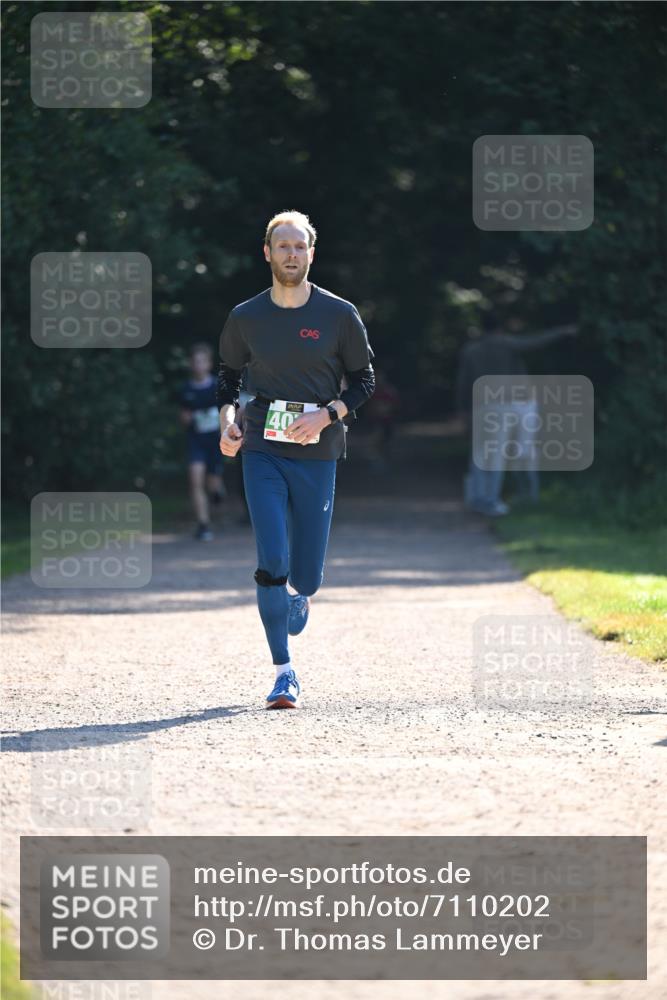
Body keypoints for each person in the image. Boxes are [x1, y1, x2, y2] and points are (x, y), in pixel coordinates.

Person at [217, 210, 375, 709]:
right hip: (262, 448)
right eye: (282, 246)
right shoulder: (246, 316)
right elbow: (228, 383)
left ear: (311, 253)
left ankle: (301, 592)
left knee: (305, 575)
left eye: (299, 246)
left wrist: (329, 415)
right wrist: (229, 422)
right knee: (272, 562)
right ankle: (284, 672)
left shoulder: (338, 314)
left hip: (317, 453)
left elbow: (366, 382)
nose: (291, 254)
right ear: (267, 252)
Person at [456, 314, 578, 516]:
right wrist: (563, 331)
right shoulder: (507, 344)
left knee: (478, 453)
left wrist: (462, 410)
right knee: (497, 454)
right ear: (500, 328)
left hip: (482, 406)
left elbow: (463, 383)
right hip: (505, 405)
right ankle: (491, 500)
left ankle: (477, 497)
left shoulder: (471, 351)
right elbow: (535, 342)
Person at [179, 342, 225, 540]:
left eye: (202, 361)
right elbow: (183, 416)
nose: (198, 365)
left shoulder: (217, 386)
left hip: (214, 440)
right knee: (195, 480)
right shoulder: (186, 389)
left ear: (208, 364)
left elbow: (227, 412)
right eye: (195, 362)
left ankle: (217, 490)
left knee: (212, 483)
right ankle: (203, 524)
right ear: (191, 364)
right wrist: (187, 419)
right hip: (196, 441)